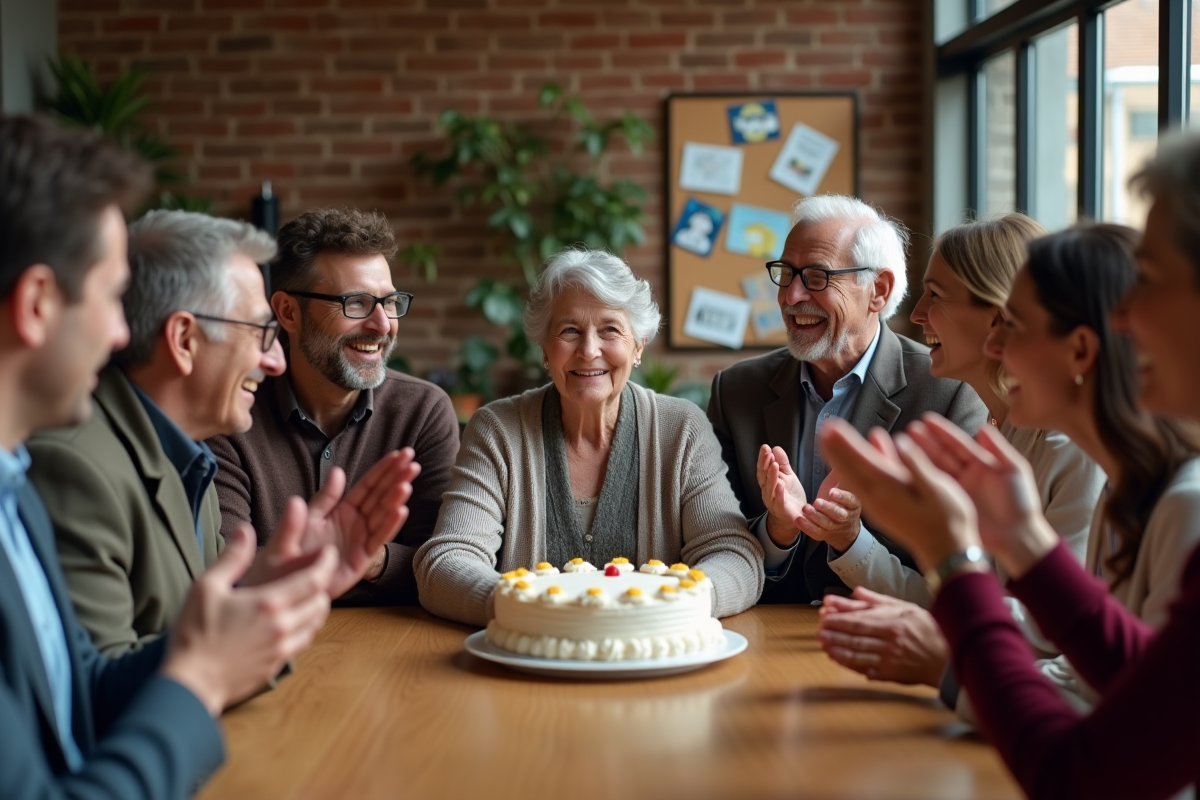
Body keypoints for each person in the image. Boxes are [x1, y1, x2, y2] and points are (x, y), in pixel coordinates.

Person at [0, 114, 345, 799]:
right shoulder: (59, 470)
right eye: (108, 296)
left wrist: (255, 600)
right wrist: (200, 680)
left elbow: (82, 693)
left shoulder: (16, 495)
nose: (124, 330)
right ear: (38, 304)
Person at [817, 181, 1200, 797]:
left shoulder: (1182, 502)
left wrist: (955, 572)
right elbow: (1127, 676)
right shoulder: (1131, 490)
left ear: (1081, 348)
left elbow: (1080, 766)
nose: (996, 344)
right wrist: (1018, 543)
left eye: (1013, 325)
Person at [27, 210, 421, 656]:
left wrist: (289, 578)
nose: (274, 361)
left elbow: (215, 613)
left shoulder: (191, 456)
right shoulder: (78, 468)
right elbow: (96, 697)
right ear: (184, 339)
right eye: (260, 331)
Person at [818, 215, 1106, 700]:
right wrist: (851, 541)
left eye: (936, 295)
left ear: (997, 317)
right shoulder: (1002, 432)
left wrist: (943, 657)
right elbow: (967, 596)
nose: (917, 314)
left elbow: (1045, 629)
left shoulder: (1069, 448)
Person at [415, 248, 764, 625]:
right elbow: (446, 562)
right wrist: (531, 609)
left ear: (638, 345)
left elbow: (735, 556)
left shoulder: (681, 429)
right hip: (530, 667)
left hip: (651, 664)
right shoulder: (498, 431)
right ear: (545, 350)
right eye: (569, 331)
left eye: (610, 329)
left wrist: (665, 608)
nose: (589, 350)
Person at [707, 194, 988, 605]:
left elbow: (963, 568)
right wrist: (778, 531)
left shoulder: (949, 392)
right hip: (761, 640)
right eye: (786, 273)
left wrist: (851, 541)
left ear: (878, 290)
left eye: (817, 276)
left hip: (889, 643)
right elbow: (713, 537)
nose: (791, 296)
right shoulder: (736, 391)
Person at [208, 208, 459, 606]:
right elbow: (226, 571)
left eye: (389, 302)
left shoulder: (424, 412)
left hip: (395, 651)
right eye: (356, 303)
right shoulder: (233, 413)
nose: (382, 324)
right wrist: (353, 559)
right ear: (288, 312)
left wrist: (370, 558)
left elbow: (446, 566)